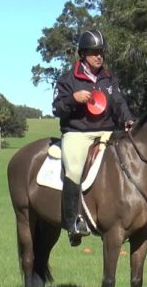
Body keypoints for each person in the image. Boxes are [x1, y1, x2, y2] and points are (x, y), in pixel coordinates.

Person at [52, 29, 136, 247]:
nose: (99, 56)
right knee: (74, 169)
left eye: (101, 52)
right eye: (94, 52)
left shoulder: (108, 78)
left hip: (107, 131)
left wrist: (128, 119)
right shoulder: (68, 80)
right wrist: (74, 99)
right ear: (83, 54)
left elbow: (119, 102)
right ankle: (72, 224)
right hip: (78, 132)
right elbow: (57, 108)